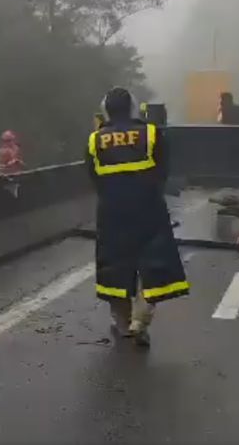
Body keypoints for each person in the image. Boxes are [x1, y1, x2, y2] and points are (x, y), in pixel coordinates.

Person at [84, 86, 188, 347]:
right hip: (148, 208)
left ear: (106, 109)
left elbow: (93, 178)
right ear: (133, 107)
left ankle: (122, 323)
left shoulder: (95, 140)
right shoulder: (152, 133)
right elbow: (163, 171)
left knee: (114, 266)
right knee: (154, 264)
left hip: (112, 212)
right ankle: (140, 322)